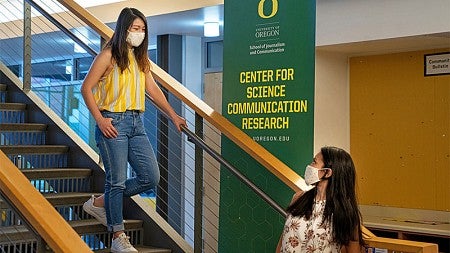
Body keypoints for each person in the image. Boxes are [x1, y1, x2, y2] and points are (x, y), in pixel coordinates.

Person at [80, 7, 186, 253]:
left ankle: (99, 202)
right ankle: (118, 236)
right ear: (123, 28)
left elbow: (153, 90)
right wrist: (100, 120)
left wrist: (173, 115)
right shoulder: (108, 55)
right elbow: (86, 88)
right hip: (112, 122)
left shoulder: (141, 59)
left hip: (137, 123)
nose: (139, 33)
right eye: (134, 28)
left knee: (151, 176)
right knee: (115, 181)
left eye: (142, 29)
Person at [276, 146, 365, 253]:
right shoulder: (298, 198)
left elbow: (353, 250)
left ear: (327, 172)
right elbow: (283, 239)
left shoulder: (345, 212)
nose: (309, 166)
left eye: (314, 162)